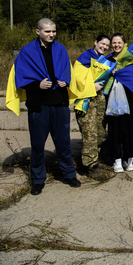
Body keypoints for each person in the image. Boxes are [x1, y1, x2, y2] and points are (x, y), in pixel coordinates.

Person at [6, 18, 81, 195]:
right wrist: (37, 85)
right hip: (39, 105)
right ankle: (38, 180)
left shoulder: (61, 49)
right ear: (38, 32)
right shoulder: (27, 52)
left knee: (63, 144)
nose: (51, 34)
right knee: (38, 145)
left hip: (59, 103)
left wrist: (65, 81)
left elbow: (68, 71)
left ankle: (69, 174)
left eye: (54, 31)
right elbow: (21, 77)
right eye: (47, 31)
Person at [74, 34, 111, 178]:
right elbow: (76, 77)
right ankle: (89, 166)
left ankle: (95, 159)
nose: (104, 47)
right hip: (86, 99)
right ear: (95, 42)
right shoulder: (85, 57)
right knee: (90, 133)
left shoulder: (103, 60)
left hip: (99, 98)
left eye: (107, 46)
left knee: (100, 131)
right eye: (102, 44)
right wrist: (91, 85)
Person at [106, 33, 133, 173]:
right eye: (114, 43)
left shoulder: (132, 59)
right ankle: (116, 159)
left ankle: (129, 157)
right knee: (114, 130)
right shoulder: (107, 60)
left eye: (119, 43)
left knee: (129, 129)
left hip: (129, 99)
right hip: (113, 101)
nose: (116, 45)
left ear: (124, 43)